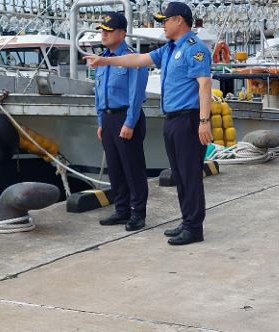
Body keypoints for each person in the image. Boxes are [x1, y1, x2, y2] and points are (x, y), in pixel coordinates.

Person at [85, 2, 213, 245]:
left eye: (165, 20)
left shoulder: (194, 49)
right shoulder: (168, 50)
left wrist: (204, 121)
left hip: (189, 118)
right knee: (180, 174)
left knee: (190, 175)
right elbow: (139, 59)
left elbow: (204, 84)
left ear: (179, 20)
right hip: (173, 119)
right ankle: (187, 221)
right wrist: (105, 62)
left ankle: (194, 228)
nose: (162, 25)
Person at [94, 12, 149, 232]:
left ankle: (138, 213)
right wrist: (100, 121)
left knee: (132, 168)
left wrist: (130, 122)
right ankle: (121, 209)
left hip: (126, 117)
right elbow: (98, 93)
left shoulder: (132, 58)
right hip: (108, 119)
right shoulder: (102, 59)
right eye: (102, 30)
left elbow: (136, 94)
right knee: (115, 168)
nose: (103, 34)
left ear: (122, 33)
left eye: (108, 30)